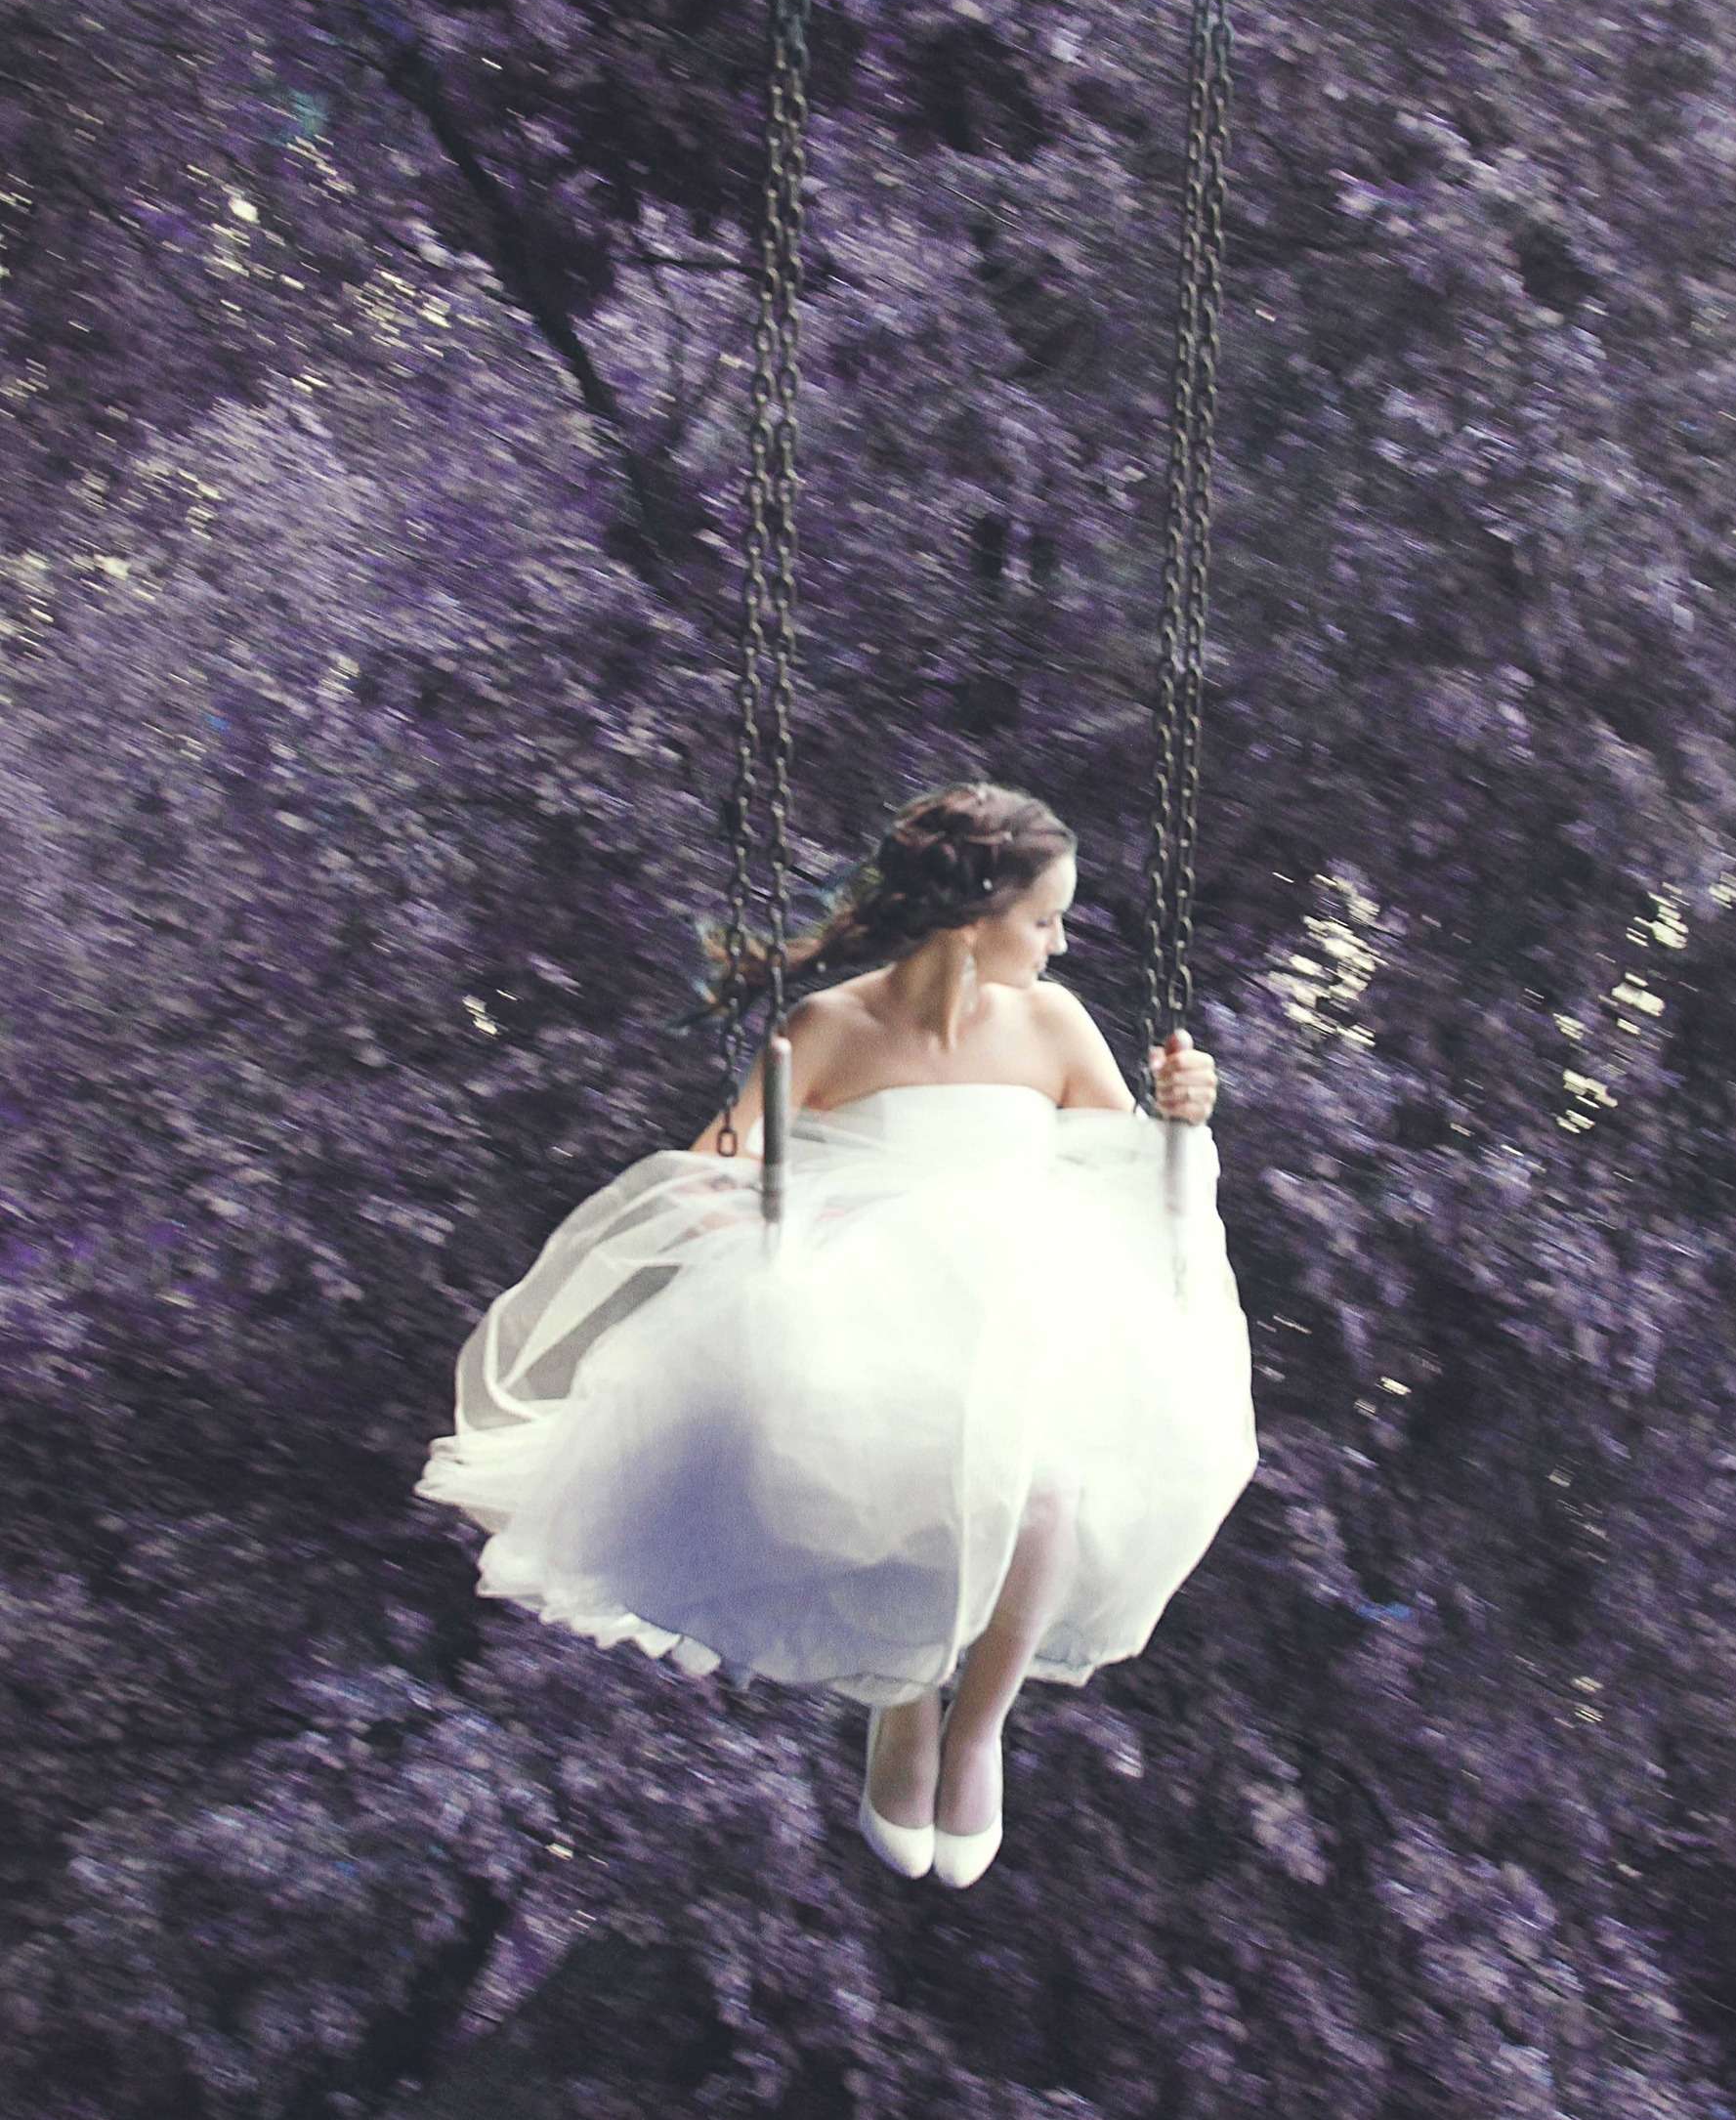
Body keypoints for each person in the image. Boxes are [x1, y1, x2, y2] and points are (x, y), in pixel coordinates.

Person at [414, 781, 1257, 1890]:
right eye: (1045, 919)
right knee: (902, 1498)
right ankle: (900, 1707)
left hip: (1023, 1304)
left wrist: (1184, 1120)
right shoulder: (827, 1027)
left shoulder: (1053, 1024)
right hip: (878, 1303)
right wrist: (752, 1223)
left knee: (1047, 1496)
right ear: (975, 920)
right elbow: (718, 1162)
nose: (1060, 943)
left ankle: (978, 1728)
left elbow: (1135, 1180)